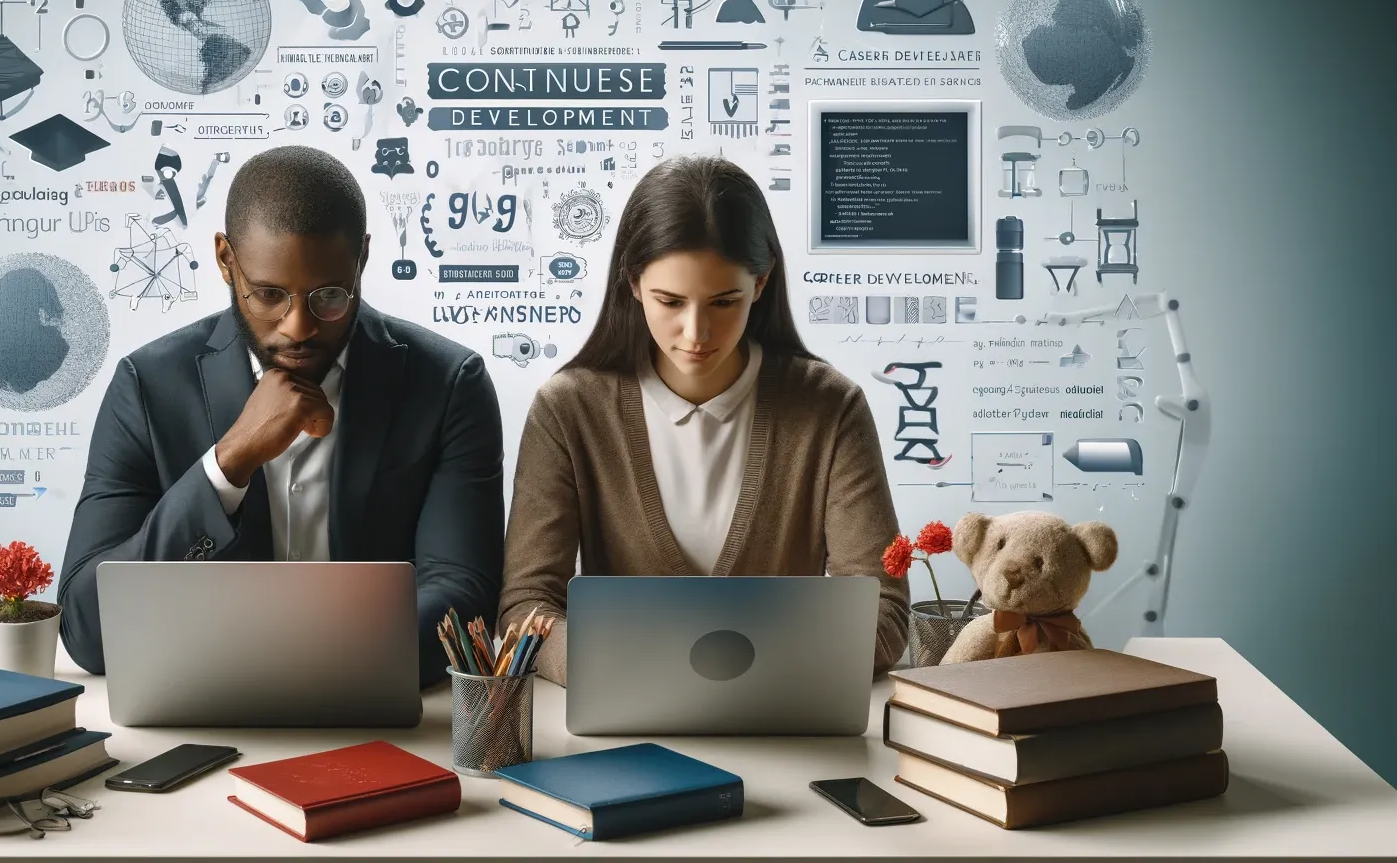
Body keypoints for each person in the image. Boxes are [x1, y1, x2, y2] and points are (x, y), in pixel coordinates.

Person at [60, 145, 504, 686]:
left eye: (329, 297)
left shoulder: (448, 385)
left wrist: (294, 661)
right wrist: (228, 465)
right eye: (268, 295)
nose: (297, 327)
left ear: (361, 258)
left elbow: (462, 598)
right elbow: (86, 627)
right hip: (199, 717)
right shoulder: (147, 387)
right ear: (226, 259)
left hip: (370, 712)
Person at [499, 156, 909, 684]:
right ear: (633, 282)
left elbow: (884, 617)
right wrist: (610, 666)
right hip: (626, 726)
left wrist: (730, 671)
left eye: (723, 302)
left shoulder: (831, 408)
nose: (696, 333)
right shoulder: (568, 409)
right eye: (670, 301)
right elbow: (527, 608)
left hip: (784, 721)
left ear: (760, 285)